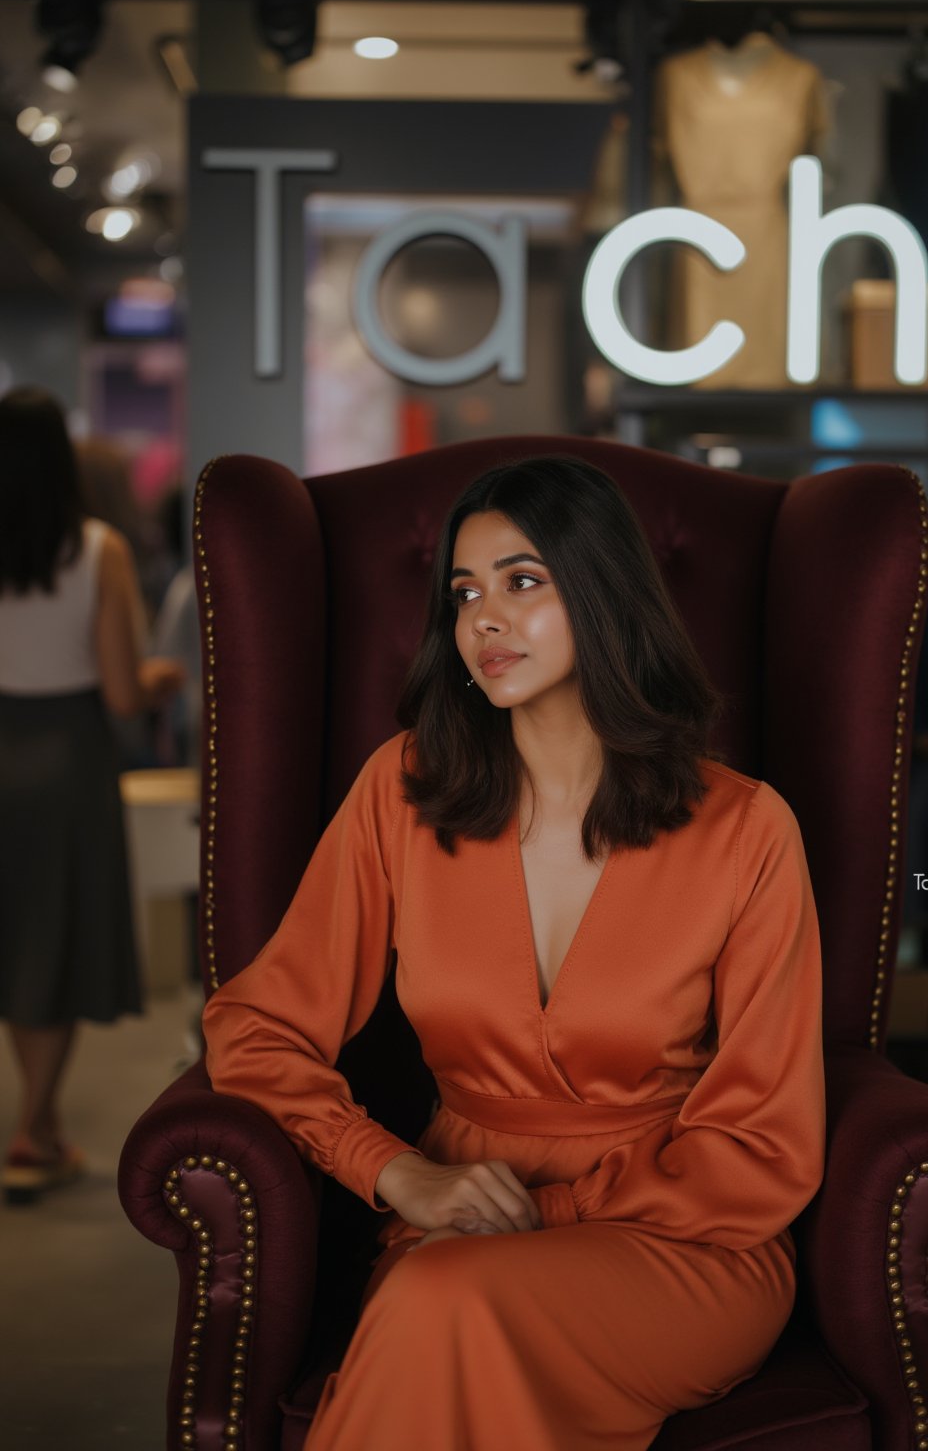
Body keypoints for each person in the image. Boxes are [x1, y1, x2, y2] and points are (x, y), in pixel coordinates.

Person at [201, 454, 825, 1450]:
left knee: (439, 1305)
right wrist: (396, 1173)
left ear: (603, 589)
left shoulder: (746, 831)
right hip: (452, 1224)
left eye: (522, 582)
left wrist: (555, 1210)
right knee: (439, 1296)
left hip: (685, 1243)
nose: (484, 619)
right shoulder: (402, 792)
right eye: (463, 593)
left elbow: (761, 1145)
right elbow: (254, 1025)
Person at [0, 386, 185, 1202]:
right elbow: (120, 693)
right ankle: (34, 1128)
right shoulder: (98, 548)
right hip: (67, 760)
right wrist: (161, 678)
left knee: (13, 941)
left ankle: (37, 1127)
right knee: (53, 940)